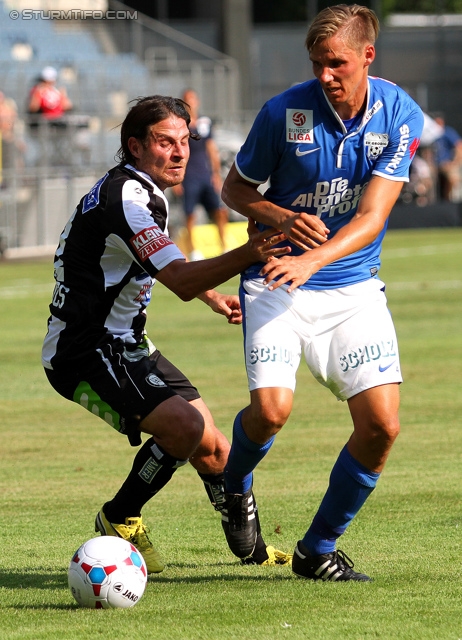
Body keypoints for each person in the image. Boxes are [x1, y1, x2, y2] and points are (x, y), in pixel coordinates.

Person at [41, 95, 292, 574]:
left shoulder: (140, 191)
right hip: (84, 349)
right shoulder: (128, 199)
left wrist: (212, 295)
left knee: (217, 450)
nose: (179, 153)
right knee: (186, 429)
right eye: (165, 143)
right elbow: (176, 278)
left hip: (127, 343)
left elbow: (154, 263)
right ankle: (119, 517)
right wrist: (248, 252)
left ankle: (254, 554)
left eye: (185, 142)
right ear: (135, 146)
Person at [220, 4, 424, 581]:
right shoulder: (283, 111)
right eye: (317, 64)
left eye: (336, 63)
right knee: (270, 413)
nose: (325, 76)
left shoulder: (399, 114)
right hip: (277, 280)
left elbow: (372, 215)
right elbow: (236, 187)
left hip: (352, 287)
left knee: (382, 426)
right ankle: (234, 487)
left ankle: (316, 551)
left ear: (368, 55)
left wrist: (316, 257)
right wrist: (282, 219)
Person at [173, 89, 229, 260]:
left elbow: (211, 149)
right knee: (190, 214)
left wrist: (216, 174)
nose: (191, 103)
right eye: (187, 100)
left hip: (205, 175)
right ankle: (193, 250)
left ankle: (224, 245)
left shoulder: (205, 123)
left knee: (220, 210)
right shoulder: (179, 124)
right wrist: (176, 181)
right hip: (188, 176)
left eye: (193, 99)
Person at [432, 114, 462, 202]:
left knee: (453, 179)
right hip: (434, 165)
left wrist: (454, 162)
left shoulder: (447, 132)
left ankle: (451, 201)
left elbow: (459, 146)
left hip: (447, 163)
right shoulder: (429, 133)